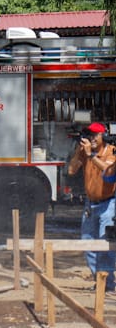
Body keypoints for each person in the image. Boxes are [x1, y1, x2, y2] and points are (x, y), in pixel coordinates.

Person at [67, 122, 116, 292]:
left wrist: (91, 156)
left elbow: (109, 171)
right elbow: (71, 170)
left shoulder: (111, 151)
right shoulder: (85, 152)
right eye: (90, 135)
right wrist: (78, 153)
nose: (92, 138)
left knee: (106, 244)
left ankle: (108, 284)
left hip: (109, 203)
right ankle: (100, 281)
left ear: (105, 136)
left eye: (96, 135)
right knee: (88, 243)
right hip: (90, 204)